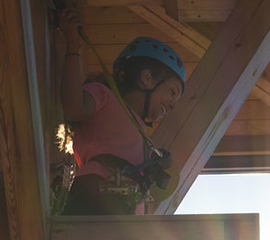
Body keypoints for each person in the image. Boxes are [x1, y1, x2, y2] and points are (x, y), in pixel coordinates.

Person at [54, 8, 185, 215]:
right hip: (94, 201)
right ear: (147, 78)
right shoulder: (104, 95)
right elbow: (73, 107)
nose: (172, 105)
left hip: (124, 218)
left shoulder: (145, 141)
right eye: (172, 91)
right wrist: (73, 47)